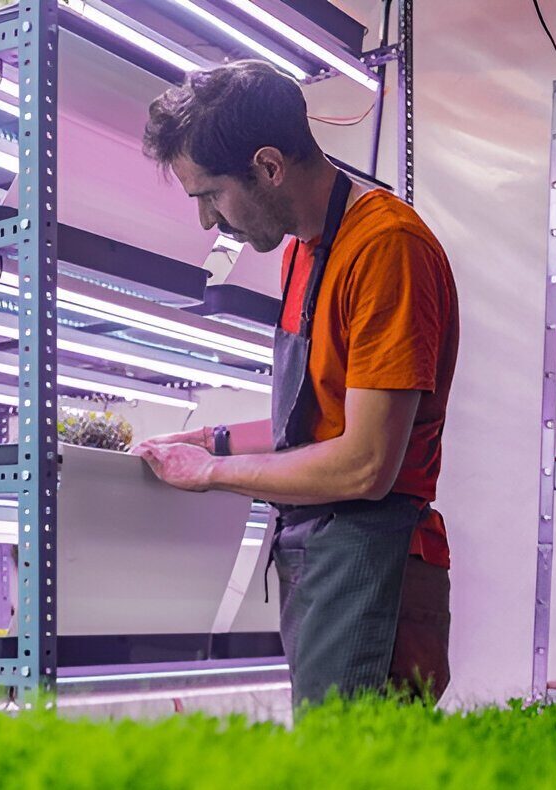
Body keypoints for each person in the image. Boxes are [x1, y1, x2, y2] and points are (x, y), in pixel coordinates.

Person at [134, 60, 459, 709]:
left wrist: (208, 474)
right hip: (326, 565)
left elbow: (365, 464)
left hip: (376, 569)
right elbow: (323, 420)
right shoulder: (303, 250)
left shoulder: (385, 249)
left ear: (269, 166)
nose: (205, 221)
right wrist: (216, 440)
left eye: (210, 195)